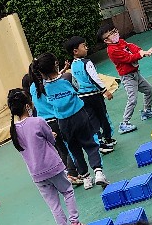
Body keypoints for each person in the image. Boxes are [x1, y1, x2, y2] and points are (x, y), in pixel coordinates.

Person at [7, 87, 86, 225]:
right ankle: (75, 223)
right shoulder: (38, 121)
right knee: (67, 192)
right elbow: (51, 139)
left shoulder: (13, 130)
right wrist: (52, 135)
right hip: (53, 166)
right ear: (27, 105)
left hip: (36, 174)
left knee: (53, 204)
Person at [27, 55, 108, 188]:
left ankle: (86, 178)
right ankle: (98, 172)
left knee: (74, 150)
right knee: (90, 144)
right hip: (79, 115)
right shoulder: (67, 77)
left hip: (63, 122)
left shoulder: (42, 87)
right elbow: (77, 87)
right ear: (55, 64)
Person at [21, 69, 81, 183]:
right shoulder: (47, 84)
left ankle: (66, 173)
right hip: (56, 119)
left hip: (44, 122)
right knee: (70, 147)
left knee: (60, 150)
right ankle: (73, 173)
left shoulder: (33, 88)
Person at [99, 22, 152, 134]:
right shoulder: (112, 50)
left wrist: (141, 51)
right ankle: (124, 123)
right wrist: (142, 54)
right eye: (111, 34)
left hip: (136, 74)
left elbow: (131, 47)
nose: (115, 34)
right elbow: (128, 58)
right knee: (132, 99)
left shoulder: (121, 42)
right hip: (127, 77)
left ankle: (147, 111)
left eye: (115, 31)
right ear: (106, 40)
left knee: (148, 90)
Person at [65, 35, 115, 152]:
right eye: (84, 46)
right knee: (103, 116)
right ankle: (107, 138)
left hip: (82, 97)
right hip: (94, 95)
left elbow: (75, 81)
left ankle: (99, 141)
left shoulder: (73, 65)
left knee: (92, 119)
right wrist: (105, 90)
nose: (86, 48)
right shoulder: (87, 62)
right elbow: (94, 78)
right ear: (75, 51)